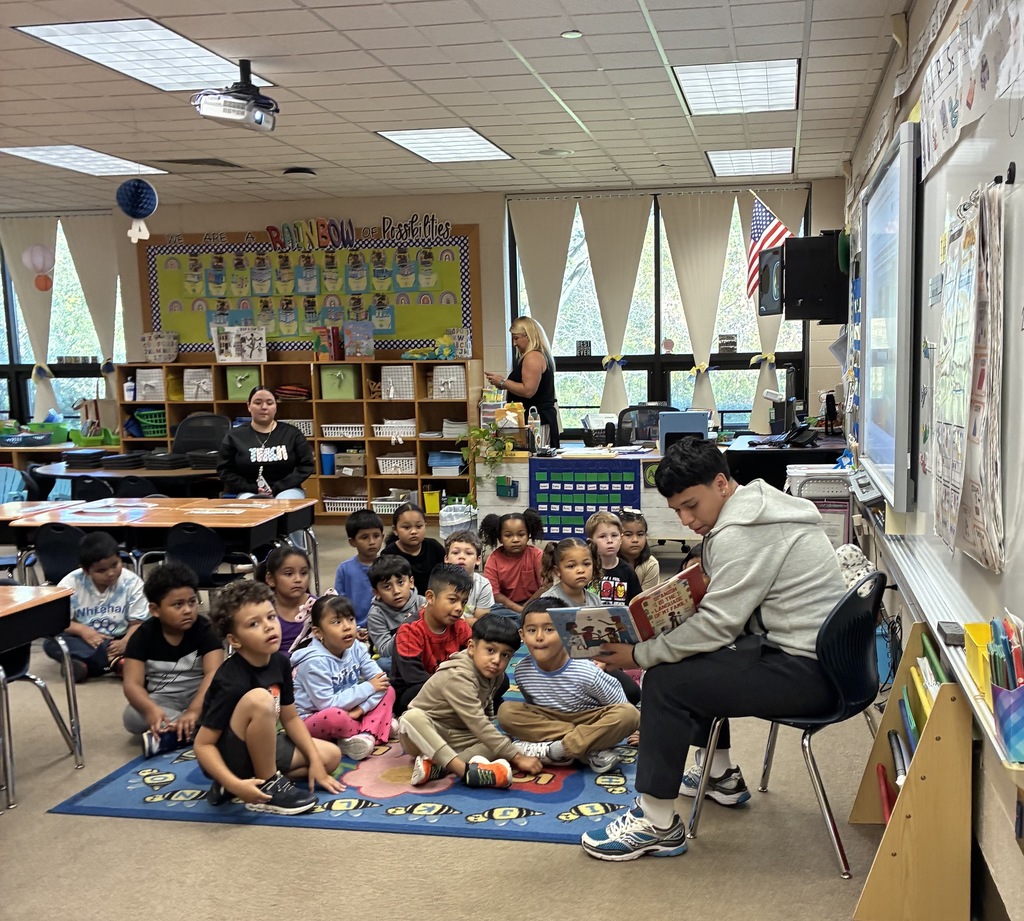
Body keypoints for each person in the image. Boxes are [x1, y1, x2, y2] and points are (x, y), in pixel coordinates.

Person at [580, 438, 846, 861]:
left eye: (692, 506)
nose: (686, 520)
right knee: (695, 658)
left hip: (810, 674)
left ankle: (657, 822)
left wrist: (638, 655)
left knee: (665, 679)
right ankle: (719, 775)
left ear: (722, 483)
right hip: (822, 658)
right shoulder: (764, 502)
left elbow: (718, 626)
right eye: (676, 512)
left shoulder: (742, 534)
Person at [193, 580, 343, 815]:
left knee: (330, 758)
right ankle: (267, 785)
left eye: (271, 617)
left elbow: (291, 719)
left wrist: (315, 761)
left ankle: (253, 781)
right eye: (254, 624)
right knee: (260, 699)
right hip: (228, 754)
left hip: (263, 745)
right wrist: (234, 783)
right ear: (234, 640)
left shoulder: (280, 662)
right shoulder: (229, 679)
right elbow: (203, 745)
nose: (268, 627)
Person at [398, 614, 543, 788]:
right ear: (472, 647)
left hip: (459, 735)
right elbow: (477, 721)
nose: (496, 660)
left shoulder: (495, 675)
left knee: (497, 744)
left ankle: (438, 767)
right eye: (490, 650)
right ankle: (465, 771)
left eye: (505, 655)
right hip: (424, 736)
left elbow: (487, 707)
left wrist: (500, 746)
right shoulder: (459, 676)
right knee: (412, 717)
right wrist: (518, 758)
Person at [498, 598, 639, 774]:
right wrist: (587, 736)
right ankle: (588, 749)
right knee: (506, 712)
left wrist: (641, 730)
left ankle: (555, 751)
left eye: (549, 629)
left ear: (567, 634)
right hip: (554, 722)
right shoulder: (522, 671)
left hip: (590, 719)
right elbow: (536, 709)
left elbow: (620, 705)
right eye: (532, 630)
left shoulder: (587, 671)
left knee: (629, 714)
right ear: (522, 635)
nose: (539, 636)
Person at [122, 562, 225, 757]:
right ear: (155, 610)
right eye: (178, 605)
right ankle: (193, 731)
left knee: (230, 702)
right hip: (164, 701)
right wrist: (150, 709)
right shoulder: (142, 636)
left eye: (192, 602)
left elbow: (214, 674)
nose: (187, 610)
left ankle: (177, 732)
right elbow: (132, 684)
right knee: (132, 717)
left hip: (203, 697)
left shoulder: (206, 630)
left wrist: (194, 710)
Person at [291, 595, 395, 761]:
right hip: (314, 718)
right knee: (334, 716)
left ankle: (365, 735)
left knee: (388, 690)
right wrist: (368, 687)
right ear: (318, 633)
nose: (347, 627)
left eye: (351, 619)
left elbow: (379, 679)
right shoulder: (313, 662)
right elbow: (326, 704)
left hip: (350, 709)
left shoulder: (356, 647)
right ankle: (376, 726)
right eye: (336, 622)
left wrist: (359, 710)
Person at [42, 532, 148, 683]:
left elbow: (137, 623)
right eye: (101, 571)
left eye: (115, 565)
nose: (111, 573)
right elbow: (60, 622)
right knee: (51, 643)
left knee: (150, 636)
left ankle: (87, 666)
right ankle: (116, 663)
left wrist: (125, 642)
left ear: (120, 559)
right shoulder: (70, 583)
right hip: (85, 639)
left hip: (122, 637)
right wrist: (82, 630)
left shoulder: (132, 582)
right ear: (86, 571)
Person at [391, 563, 473, 715]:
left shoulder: (460, 626)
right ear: (430, 597)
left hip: (453, 686)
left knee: (498, 679)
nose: (459, 608)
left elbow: (474, 658)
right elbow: (414, 678)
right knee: (415, 693)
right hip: (416, 691)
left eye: (463, 602)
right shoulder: (410, 630)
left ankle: (456, 709)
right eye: (452, 600)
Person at [217, 386, 315, 501]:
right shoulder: (234, 436)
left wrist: (279, 487)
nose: (264, 407)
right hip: (248, 491)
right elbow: (224, 470)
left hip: (287, 490)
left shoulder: (292, 434)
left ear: (276, 406)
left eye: (269, 403)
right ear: (249, 406)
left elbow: (306, 466)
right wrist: (252, 488)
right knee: (255, 507)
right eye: (258, 403)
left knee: (283, 505)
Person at [484, 315, 559, 448]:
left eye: (516, 338)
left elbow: (528, 390)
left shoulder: (533, 357)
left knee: (534, 464)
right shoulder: (539, 354)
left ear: (528, 336)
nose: (514, 343)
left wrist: (502, 382)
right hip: (536, 419)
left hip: (535, 422)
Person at [480, 509, 546, 616]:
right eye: (508, 535)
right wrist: (519, 610)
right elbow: (495, 594)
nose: (515, 539)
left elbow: (545, 586)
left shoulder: (537, 555)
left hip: (535, 603)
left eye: (521, 534)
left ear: (528, 535)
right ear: (500, 538)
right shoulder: (493, 560)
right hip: (504, 607)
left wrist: (526, 608)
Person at [366, 555, 422, 674]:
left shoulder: (423, 603)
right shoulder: (376, 615)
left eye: (400, 583)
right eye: (387, 587)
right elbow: (385, 651)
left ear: (411, 582)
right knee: (383, 663)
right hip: (395, 656)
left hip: (421, 651)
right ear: (377, 592)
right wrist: (405, 628)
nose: (396, 591)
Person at [379, 503, 446, 596]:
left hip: (433, 599)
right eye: (406, 527)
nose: (414, 532)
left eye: (419, 526)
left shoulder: (434, 546)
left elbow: (447, 574)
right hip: (403, 602)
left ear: (425, 526)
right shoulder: (389, 554)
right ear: (395, 530)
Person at [258, 545, 315, 653]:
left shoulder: (318, 607)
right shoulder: (261, 610)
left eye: (303, 573)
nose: (298, 579)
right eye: (289, 574)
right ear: (270, 579)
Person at [333, 509, 384, 632]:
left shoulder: (388, 566)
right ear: (352, 542)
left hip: (384, 626)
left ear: (383, 537)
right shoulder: (344, 569)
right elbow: (339, 603)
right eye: (364, 537)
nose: (372, 542)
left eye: (376, 536)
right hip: (353, 628)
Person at [586, 510, 642, 605]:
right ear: (591, 542)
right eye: (602, 536)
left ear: (621, 539)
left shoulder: (627, 571)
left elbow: (636, 603)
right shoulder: (586, 569)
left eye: (614, 535)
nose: (609, 541)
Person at [444, 529, 494, 623]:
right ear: (446, 558)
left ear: (478, 560)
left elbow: (481, 622)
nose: (461, 557)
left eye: (468, 553)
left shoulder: (483, 585)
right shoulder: (440, 581)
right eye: (455, 553)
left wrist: (459, 621)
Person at [540, 537, 600, 607]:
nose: (581, 570)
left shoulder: (595, 600)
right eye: (571, 566)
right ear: (557, 571)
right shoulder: (548, 601)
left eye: (586, 564)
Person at [618, 508, 660, 592]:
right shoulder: (608, 561)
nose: (635, 540)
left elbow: (646, 600)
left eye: (640, 534)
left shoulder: (651, 564)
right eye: (628, 534)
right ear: (617, 536)